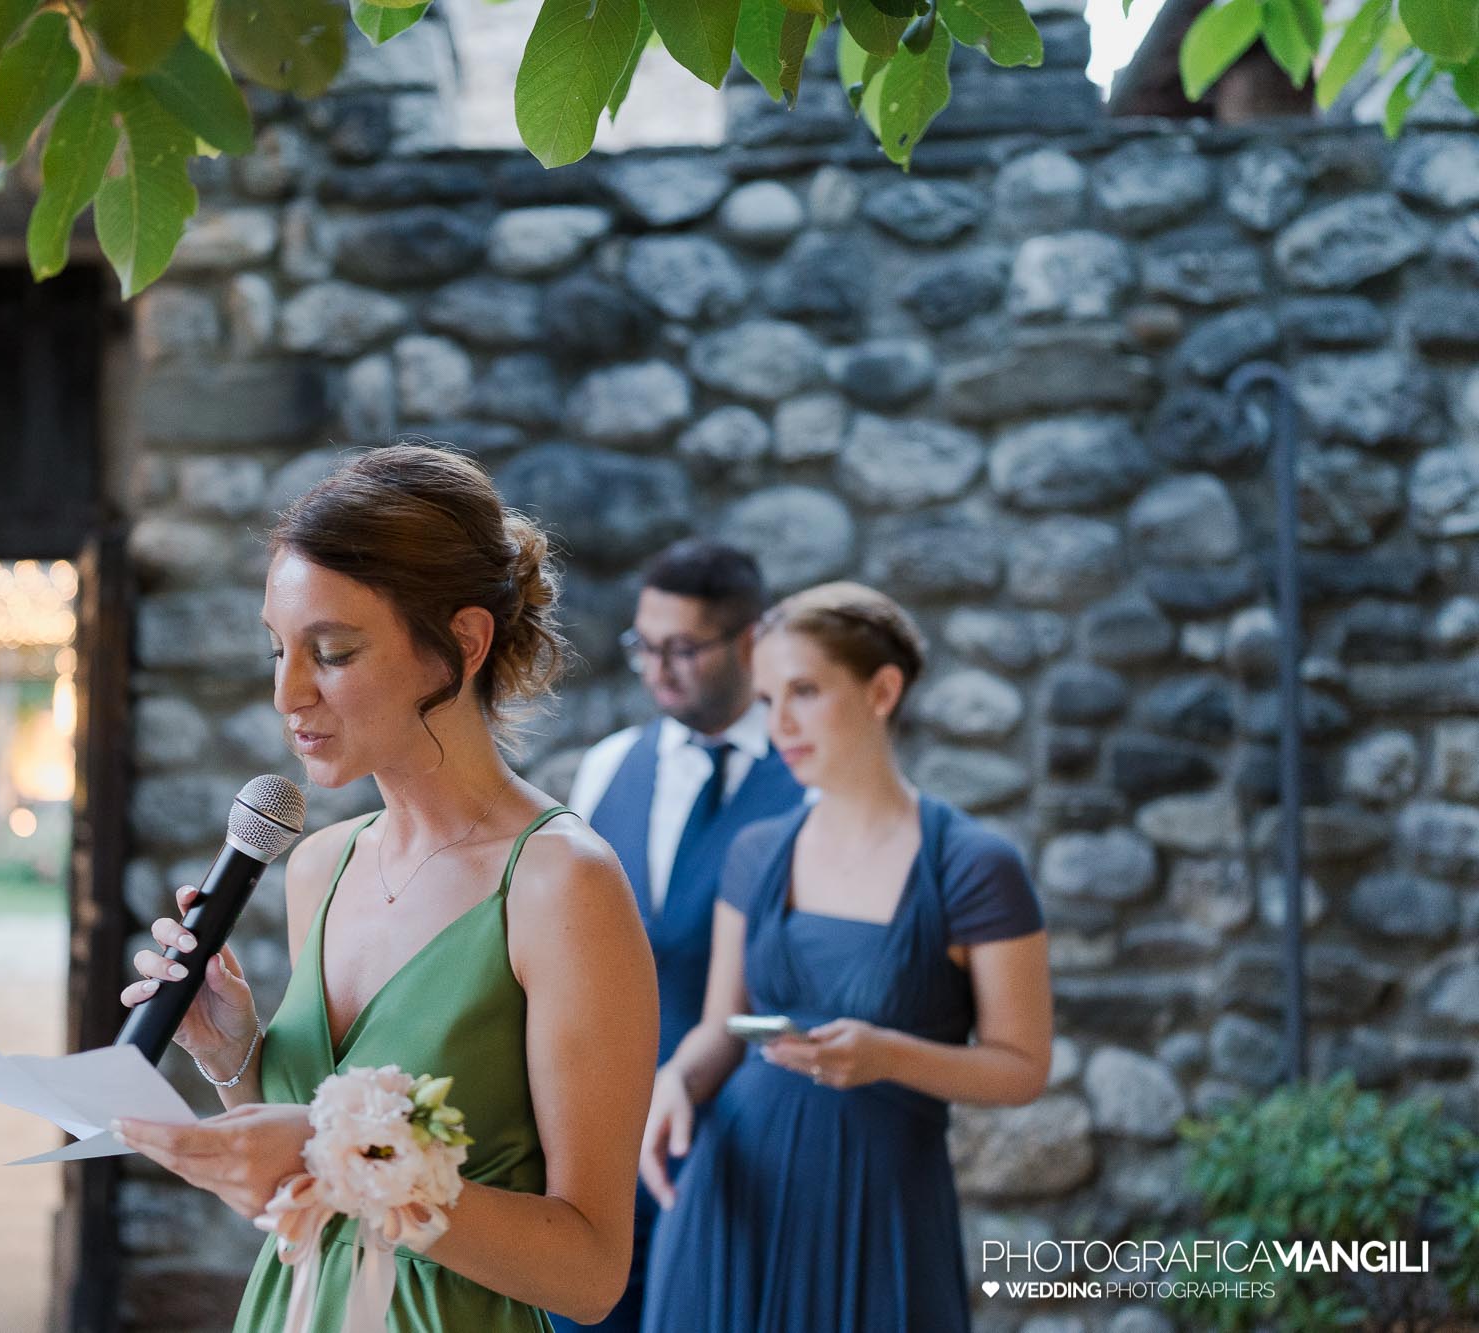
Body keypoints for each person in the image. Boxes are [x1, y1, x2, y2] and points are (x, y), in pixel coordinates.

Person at [110, 445, 658, 1331]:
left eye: (332, 652)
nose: (288, 693)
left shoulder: (562, 883)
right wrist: (233, 1057)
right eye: (278, 649)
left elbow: (591, 1272)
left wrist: (343, 1160)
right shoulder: (318, 865)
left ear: (464, 643)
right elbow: (305, 1196)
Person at [639, 583, 1053, 1332]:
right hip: (733, 1197)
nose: (781, 724)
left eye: (804, 691)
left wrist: (887, 1055)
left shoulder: (972, 865)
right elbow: (722, 1027)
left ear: (882, 691)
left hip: (878, 1207)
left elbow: (1021, 1067)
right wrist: (678, 1078)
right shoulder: (756, 851)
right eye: (769, 698)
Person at [554, 538, 806, 1333]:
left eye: (683, 649)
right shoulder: (607, 767)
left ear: (750, 642)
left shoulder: (810, 780)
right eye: (645, 645)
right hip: (601, 1143)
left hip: (752, 1147)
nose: (658, 669)